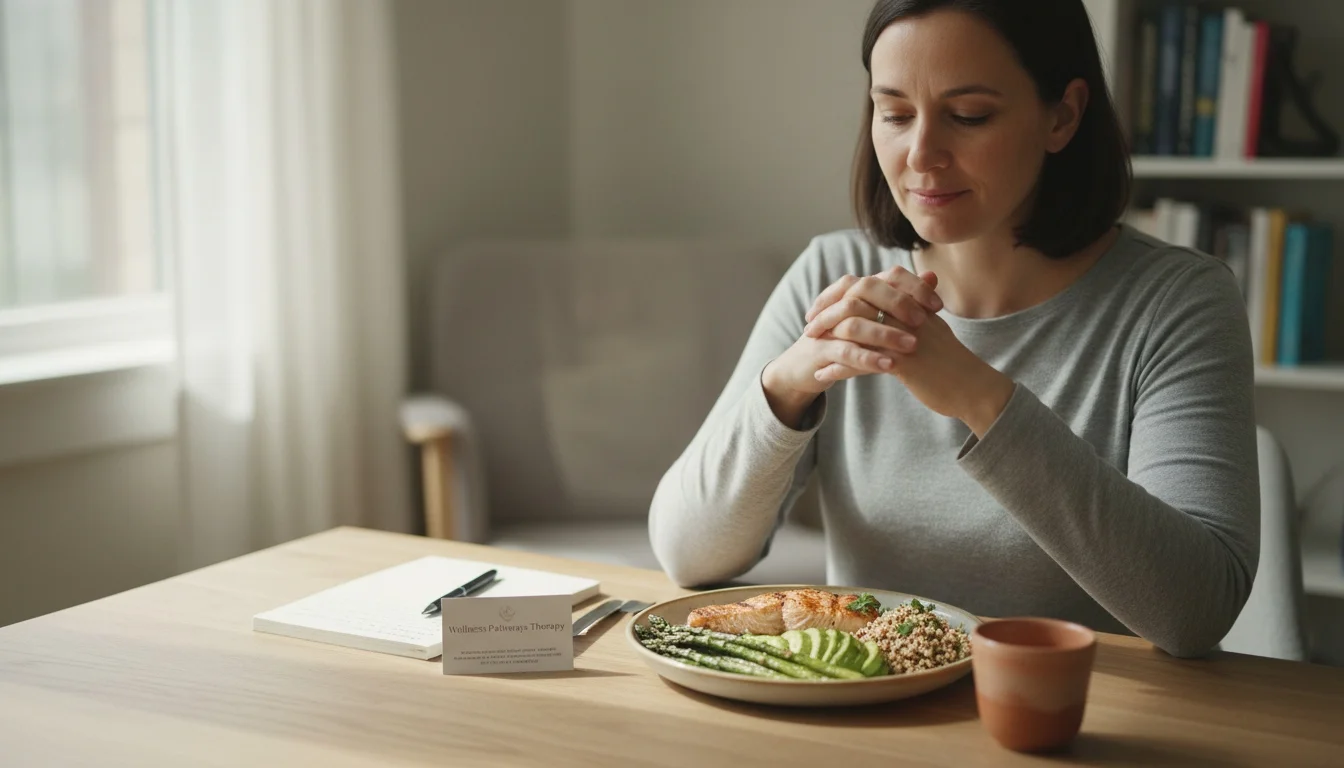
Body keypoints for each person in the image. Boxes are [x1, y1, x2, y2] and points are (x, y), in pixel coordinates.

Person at [647, 0, 1259, 658]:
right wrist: (788, 385)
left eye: (969, 116)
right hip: (864, 724)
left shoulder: (1177, 301)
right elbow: (686, 552)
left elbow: (1198, 609)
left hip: (1070, 725)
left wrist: (977, 396)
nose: (921, 155)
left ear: (1063, 115)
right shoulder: (833, 271)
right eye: (895, 113)